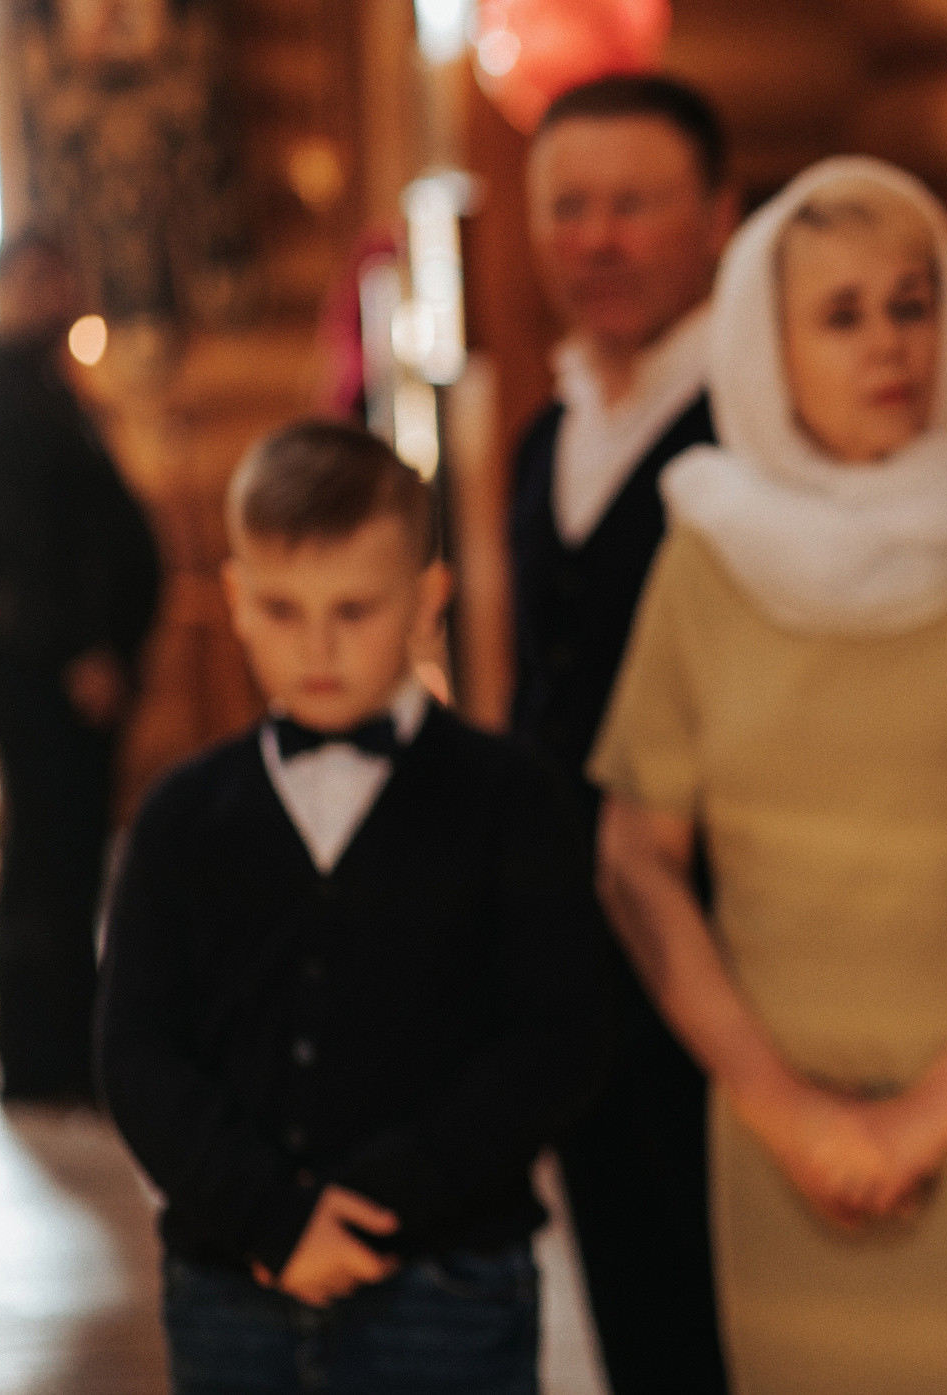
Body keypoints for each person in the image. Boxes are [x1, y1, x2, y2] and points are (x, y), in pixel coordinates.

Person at [590, 158, 947, 1394]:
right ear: (768, 348)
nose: (889, 344)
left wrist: (929, 1118)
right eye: (841, 316)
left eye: (912, 304)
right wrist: (787, 1113)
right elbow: (635, 859)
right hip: (786, 1148)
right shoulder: (702, 558)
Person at [96, 420, 612, 1394]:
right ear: (237, 600)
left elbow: (560, 1038)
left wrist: (380, 1200)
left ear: (428, 598)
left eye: (354, 609)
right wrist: (270, 1217)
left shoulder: (508, 800)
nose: (317, 648)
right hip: (230, 1288)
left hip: (449, 1290)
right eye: (282, 609)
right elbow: (137, 1052)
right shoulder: (180, 815)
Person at [508, 73, 737, 1395]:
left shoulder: (761, 425)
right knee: (631, 1302)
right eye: (568, 207)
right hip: (579, 961)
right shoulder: (543, 435)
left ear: (716, 216)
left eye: (632, 204)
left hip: (729, 944)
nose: (595, 239)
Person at [0, 232, 160, 1104]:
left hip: (69, 668)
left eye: (59, 276)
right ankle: (44, 1054)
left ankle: (64, 1038)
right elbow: (26, 545)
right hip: (45, 671)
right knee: (48, 857)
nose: (51, 293)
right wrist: (81, 648)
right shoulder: (6, 393)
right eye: (33, 279)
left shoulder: (53, 386)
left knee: (71, 855)